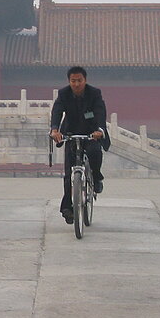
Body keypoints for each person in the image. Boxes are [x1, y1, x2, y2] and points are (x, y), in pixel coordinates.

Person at [49, 66, 110, 224]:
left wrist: (100, 129)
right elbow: (57, 111)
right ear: (69, 81)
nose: (76, 84)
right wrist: (55, 129)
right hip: (70, 133)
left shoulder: (94, 93)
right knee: (69, 174)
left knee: (95, 152)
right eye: (73, 81)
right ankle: (67, 208)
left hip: (91, 132)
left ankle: (96, 178)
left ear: (85, 80)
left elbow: (100, 112)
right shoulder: (63, 94)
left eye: (79, 80)